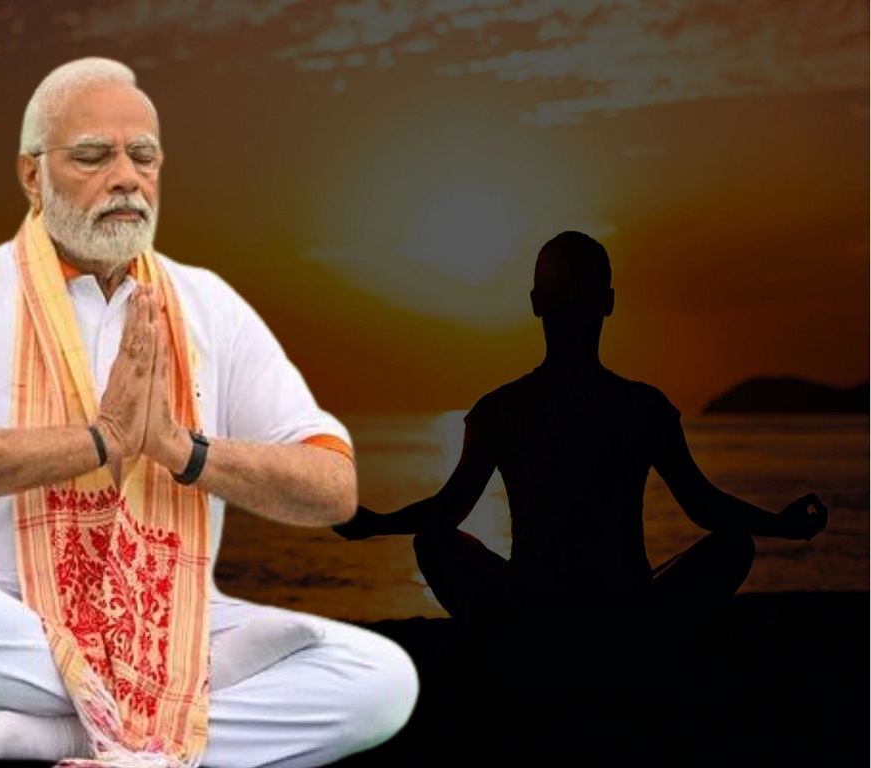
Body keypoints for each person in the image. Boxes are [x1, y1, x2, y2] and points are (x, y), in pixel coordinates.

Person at [0, 57, 417, 768]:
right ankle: (162, 709)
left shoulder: (210, 303)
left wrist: (184, 451)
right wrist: (99, 441)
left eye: (142, 157)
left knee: (382, 681)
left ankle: (70, 729)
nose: (126, 177)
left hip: (169, 624)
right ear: (33, 175)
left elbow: (333, 487)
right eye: (93, 156)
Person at [334, 230, 828, 643]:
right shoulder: (642, 407)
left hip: (531, 610)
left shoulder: (502, 409)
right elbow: (704, 507)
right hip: (627, 611)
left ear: (535, 304)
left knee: (434, 544)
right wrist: (780, 525)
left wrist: (374, 523)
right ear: (608, 304)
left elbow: (445, 514)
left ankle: (516, 650)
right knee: (733, 546)